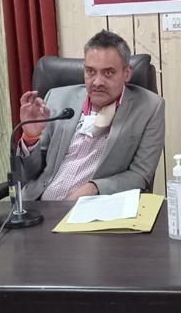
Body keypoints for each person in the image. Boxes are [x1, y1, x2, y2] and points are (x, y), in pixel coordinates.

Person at [18, 30, 165, 201]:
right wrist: (31, 138)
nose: (97, 82)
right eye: (90, 72)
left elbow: (140, 175)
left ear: (127, 73)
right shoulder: (57, 98)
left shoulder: (149, 107)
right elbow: (30, 174)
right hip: (39, 205)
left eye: (108, 73)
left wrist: (94, 188)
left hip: (93, 206)